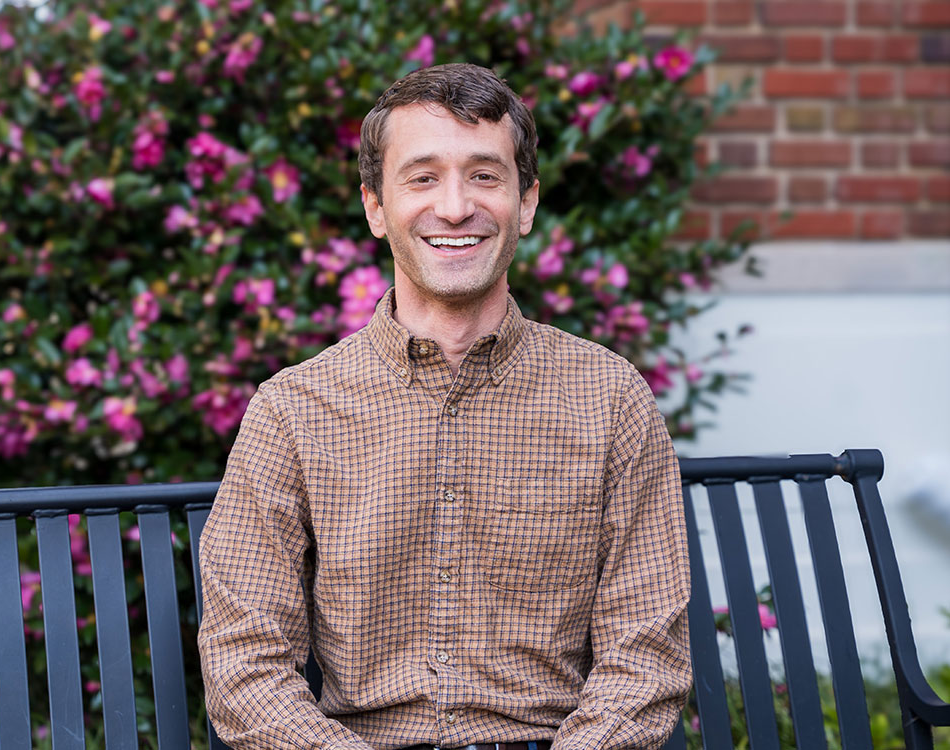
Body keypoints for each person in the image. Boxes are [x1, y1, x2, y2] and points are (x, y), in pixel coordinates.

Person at [197, 63, 690, 750]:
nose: (455, 207)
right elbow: (245, 662)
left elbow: (645, 656)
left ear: (526, 203)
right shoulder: (293, 410)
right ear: (375, 207)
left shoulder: (609, 399)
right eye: (423, 178)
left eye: (484, 175)